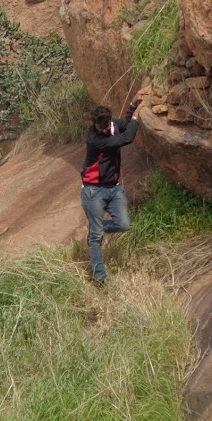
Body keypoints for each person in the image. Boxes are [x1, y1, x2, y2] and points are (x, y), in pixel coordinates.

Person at [80, 99, 141, 284]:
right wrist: (136, 118)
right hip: (93, 191)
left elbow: (125, 123)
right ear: (95, 125)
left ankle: (95, 227)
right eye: (102, 128)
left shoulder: (112, 125)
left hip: (114, 189)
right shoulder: (95, 139)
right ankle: (100, 278)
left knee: (123, 224)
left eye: (107, 126)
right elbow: (127, 138)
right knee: (97, 238)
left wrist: (132, 106)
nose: (106, 130)